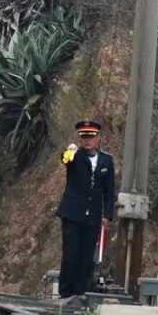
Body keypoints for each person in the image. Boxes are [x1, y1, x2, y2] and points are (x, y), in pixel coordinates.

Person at [55, 119, 115, 298]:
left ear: (98, 138)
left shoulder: (106, 161)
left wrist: (107, 215)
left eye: (91, 136)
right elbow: (65, 159)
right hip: (72, 214)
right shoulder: (74, 155)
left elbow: (109, 190)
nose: (87, 140)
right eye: (84, 136)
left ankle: (79, 293)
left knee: (87, 258)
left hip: (93, 216)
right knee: (70, 257)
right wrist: (69, 151)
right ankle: (65, 293)